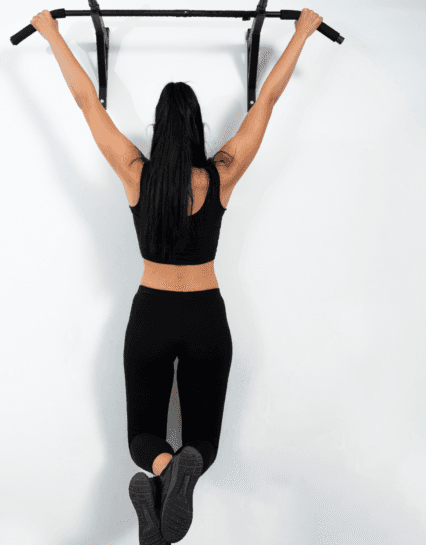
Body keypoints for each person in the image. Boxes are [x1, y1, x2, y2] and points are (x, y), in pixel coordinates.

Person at [125, 8, 324, 543]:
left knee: (144, 436)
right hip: (205, 314)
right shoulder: (222, 173)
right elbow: (269, 102)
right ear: (199, 129)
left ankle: (160, 478)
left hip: (151, 310)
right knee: (202, 443)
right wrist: (302, 33)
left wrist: (52, 34)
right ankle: (174, 480)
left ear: (155, 128)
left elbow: (81, 102)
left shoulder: (133, 173)